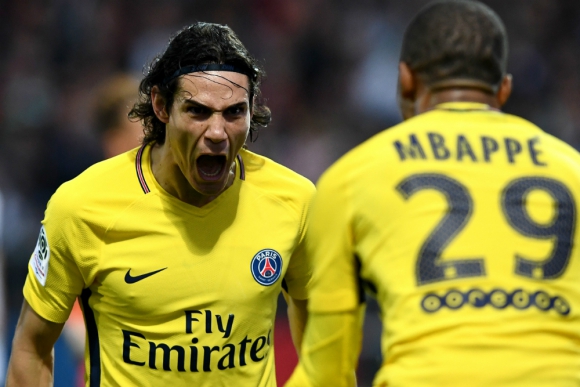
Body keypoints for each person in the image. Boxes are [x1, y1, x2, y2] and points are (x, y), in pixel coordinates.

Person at [286, 1, 580, 386]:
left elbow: (328, 371)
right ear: (503, 89)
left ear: (405, 80)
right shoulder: (572, 168)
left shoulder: (350, 179)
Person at [7, 22, 314, 387]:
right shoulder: (81, 207)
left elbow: (324, 344)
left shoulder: (295, 201)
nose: (217, 133)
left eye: (234, 112)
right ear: (160, 106)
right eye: (198, 111)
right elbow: (31, 349)